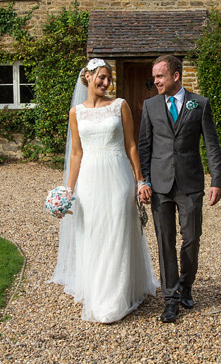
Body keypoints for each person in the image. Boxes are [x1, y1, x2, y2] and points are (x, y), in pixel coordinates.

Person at [49, 58, 158, 323]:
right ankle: (97, 293)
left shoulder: (120, 106)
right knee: (94, 234)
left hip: (118, 176)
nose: (106, 83)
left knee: (118, 231)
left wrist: (140, 180)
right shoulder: (76, 113)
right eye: (102, 77)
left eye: (109, 78)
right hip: (89, 180)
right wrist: (68, 191)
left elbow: (131, 145)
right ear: (87, 77)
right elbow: (76, 153)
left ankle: (116, 296)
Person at [138, 55, 221, 323]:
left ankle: (186, 286)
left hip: (190, 184)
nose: (155, 81)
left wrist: (217, 180)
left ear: (176, 76)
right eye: (154, 77)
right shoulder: (150, 106)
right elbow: (144, 146)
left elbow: (211, 144)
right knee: (165, 243)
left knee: (191, 238)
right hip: (160, 186)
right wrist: (144, 181)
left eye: (160, 76)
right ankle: (171, 298)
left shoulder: (199, 104)